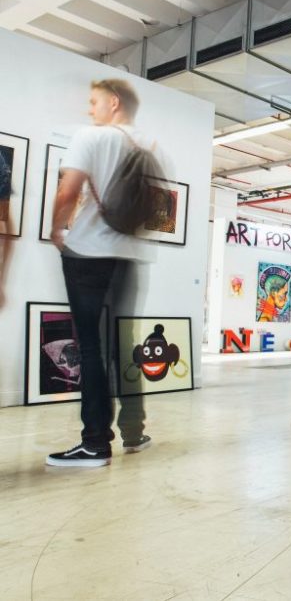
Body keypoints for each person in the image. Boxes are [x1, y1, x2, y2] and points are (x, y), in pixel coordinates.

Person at [46, 78, 152, 467]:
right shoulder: (148, 145)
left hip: (90, 255)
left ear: (113, 101)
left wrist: (57, 229)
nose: (90, 110)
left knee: (91, 348)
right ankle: (135, 432)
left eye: (93, 102)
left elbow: (67, 192)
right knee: (124, 345)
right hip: (130, 257)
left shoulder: (92, 138)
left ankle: (94, 442)